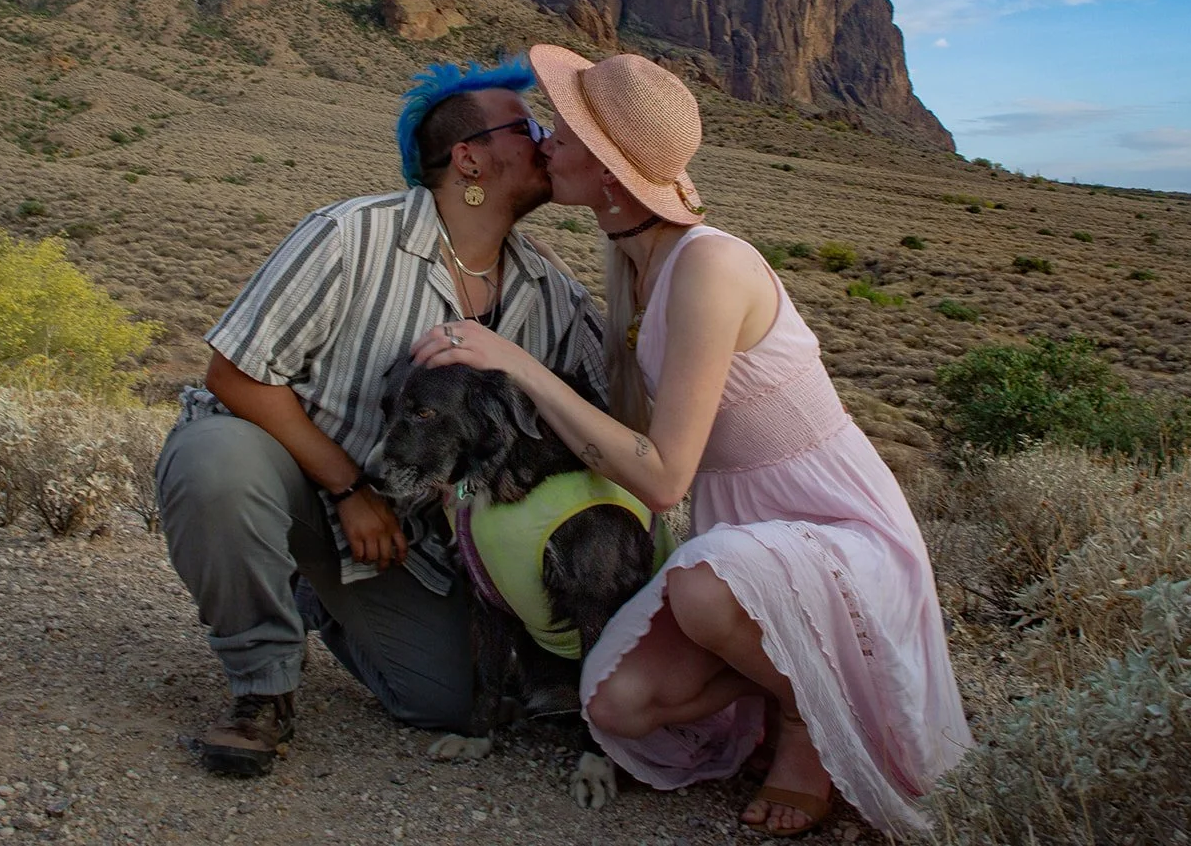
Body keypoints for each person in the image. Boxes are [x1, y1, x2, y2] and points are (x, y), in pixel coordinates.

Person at [412, 45, 972, 837]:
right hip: (741, 533)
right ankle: (778, 678)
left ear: (609, 171)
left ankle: (806, 728)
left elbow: (665, 475)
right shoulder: (630, 262)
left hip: (831, 528)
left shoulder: (710, 264)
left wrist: (513, 363)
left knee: (709, 589)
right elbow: (623, 434)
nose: (545, 146)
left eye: (562, 137)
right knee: (618, 704)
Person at [157, 56, 606, 777]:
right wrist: (347, 490)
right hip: (299, 478)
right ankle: (261, 691)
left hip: (406, 538)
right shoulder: (348, 237)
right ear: (468, 158)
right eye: (527, 128)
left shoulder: (551, 294)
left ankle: (324, 599)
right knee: (213, 464)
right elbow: (233, 374)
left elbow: (602, 410)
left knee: (456, 701)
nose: (546, 139)